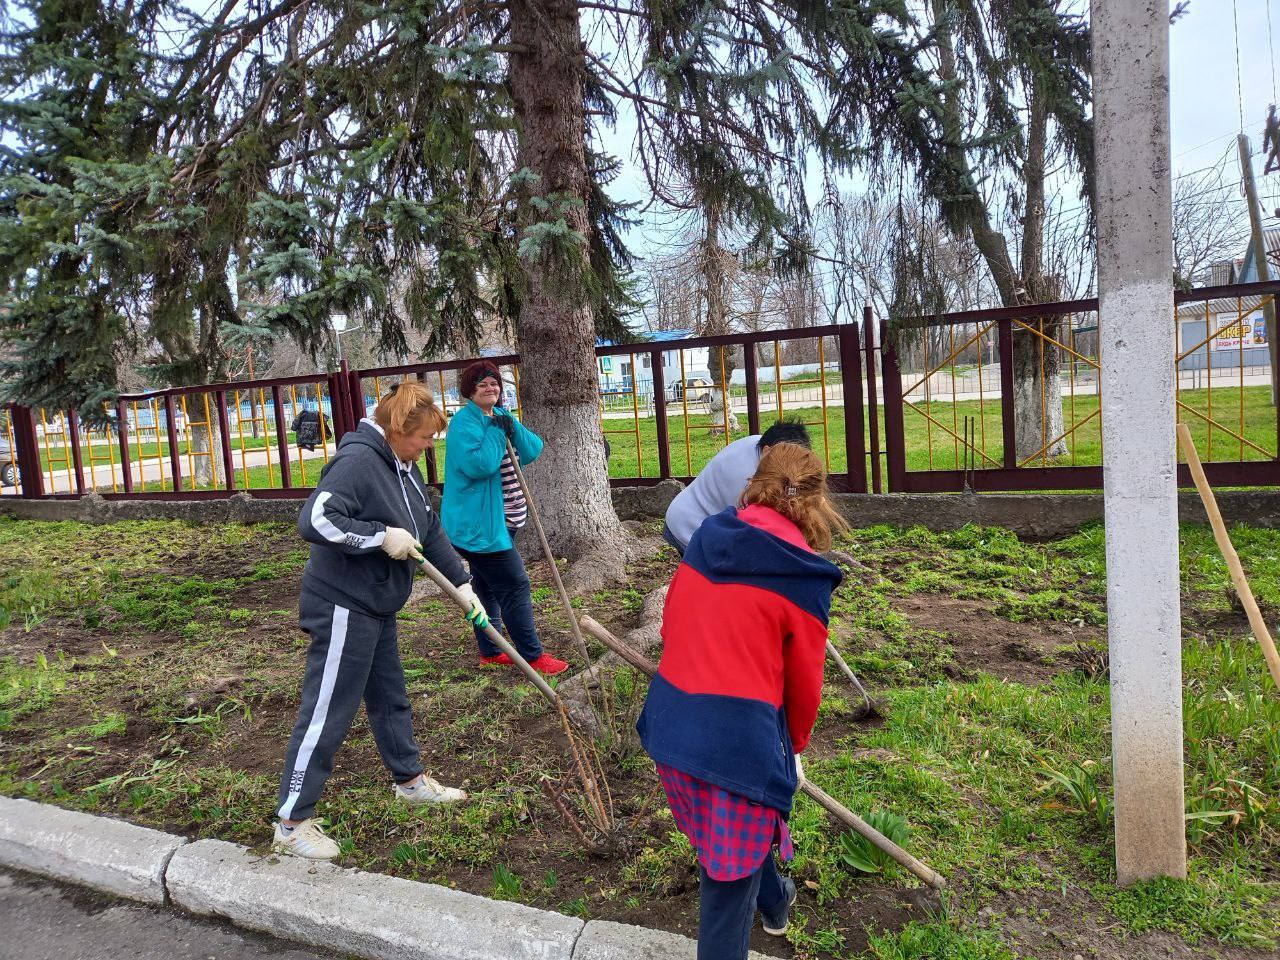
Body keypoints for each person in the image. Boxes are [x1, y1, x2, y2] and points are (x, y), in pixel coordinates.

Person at [637, 443, 845, 959]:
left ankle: (775, 902)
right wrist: (792, 749)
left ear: (754, 483)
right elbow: (804, 688)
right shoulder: (803, 579)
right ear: (818, 503)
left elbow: (672, 622)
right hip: (734, 747)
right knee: (725, 890)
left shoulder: (707, 537)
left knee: (731, 836)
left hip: (669, 728)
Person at [272, 382, 490, 861]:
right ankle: (290, 824)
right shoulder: (358, 463)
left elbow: (428, 531)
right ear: (397, 429)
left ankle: (409, 782)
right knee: (328, 710)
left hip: (377, 604)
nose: (431, 445)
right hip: (343, 604)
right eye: (425, 437)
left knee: (391, 697)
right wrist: (377, 538)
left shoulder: (404, 469)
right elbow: (316, 520)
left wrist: (462, 583)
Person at [441, 361, 568, 676]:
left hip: (502, 522)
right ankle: (532, 656)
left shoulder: (498, 417)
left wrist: (509, 423)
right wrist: (498, 433)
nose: (490, 388)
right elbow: (478, 466)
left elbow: (532, 450)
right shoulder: (463, 424)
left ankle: (490, 650)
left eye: (494, 383)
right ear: (470, 390)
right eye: (482, 384)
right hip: (479, 528)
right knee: (514, 585)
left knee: (486, 587)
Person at [662, 419, 812, 554]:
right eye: (790, 462)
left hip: (701, 521)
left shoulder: (758, 444)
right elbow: (753, 530)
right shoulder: (745, 477)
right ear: (767, 450)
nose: (794, 468)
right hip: (688, 528)